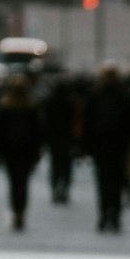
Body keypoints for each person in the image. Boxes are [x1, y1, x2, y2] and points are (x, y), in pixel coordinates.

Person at [83, 64, 130, 233]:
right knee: (117, 182)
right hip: (119, 146)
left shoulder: (95, 94)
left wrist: (87, 147)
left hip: (101, 147)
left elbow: (88, 123)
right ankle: (115, 215)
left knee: (103, 183)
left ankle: (104, 214)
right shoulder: (124, 95)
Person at [0, 75, 44, 230]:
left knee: (13, 183)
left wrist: (0, 152)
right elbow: (38, 132)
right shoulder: (31, 107)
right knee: (23, 184)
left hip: (10, 152)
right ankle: (21, 211)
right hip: (26, 152)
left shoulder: (6, 107)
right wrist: (37, 152)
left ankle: (16, 211)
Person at [41, 75, 78, 204]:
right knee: (66, 166)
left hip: (54, 139)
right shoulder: (70, 102)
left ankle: (55, 188)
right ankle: (64, 188)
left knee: (55, 165)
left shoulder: (49, 101)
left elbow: (45, 122)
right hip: (67, 139)